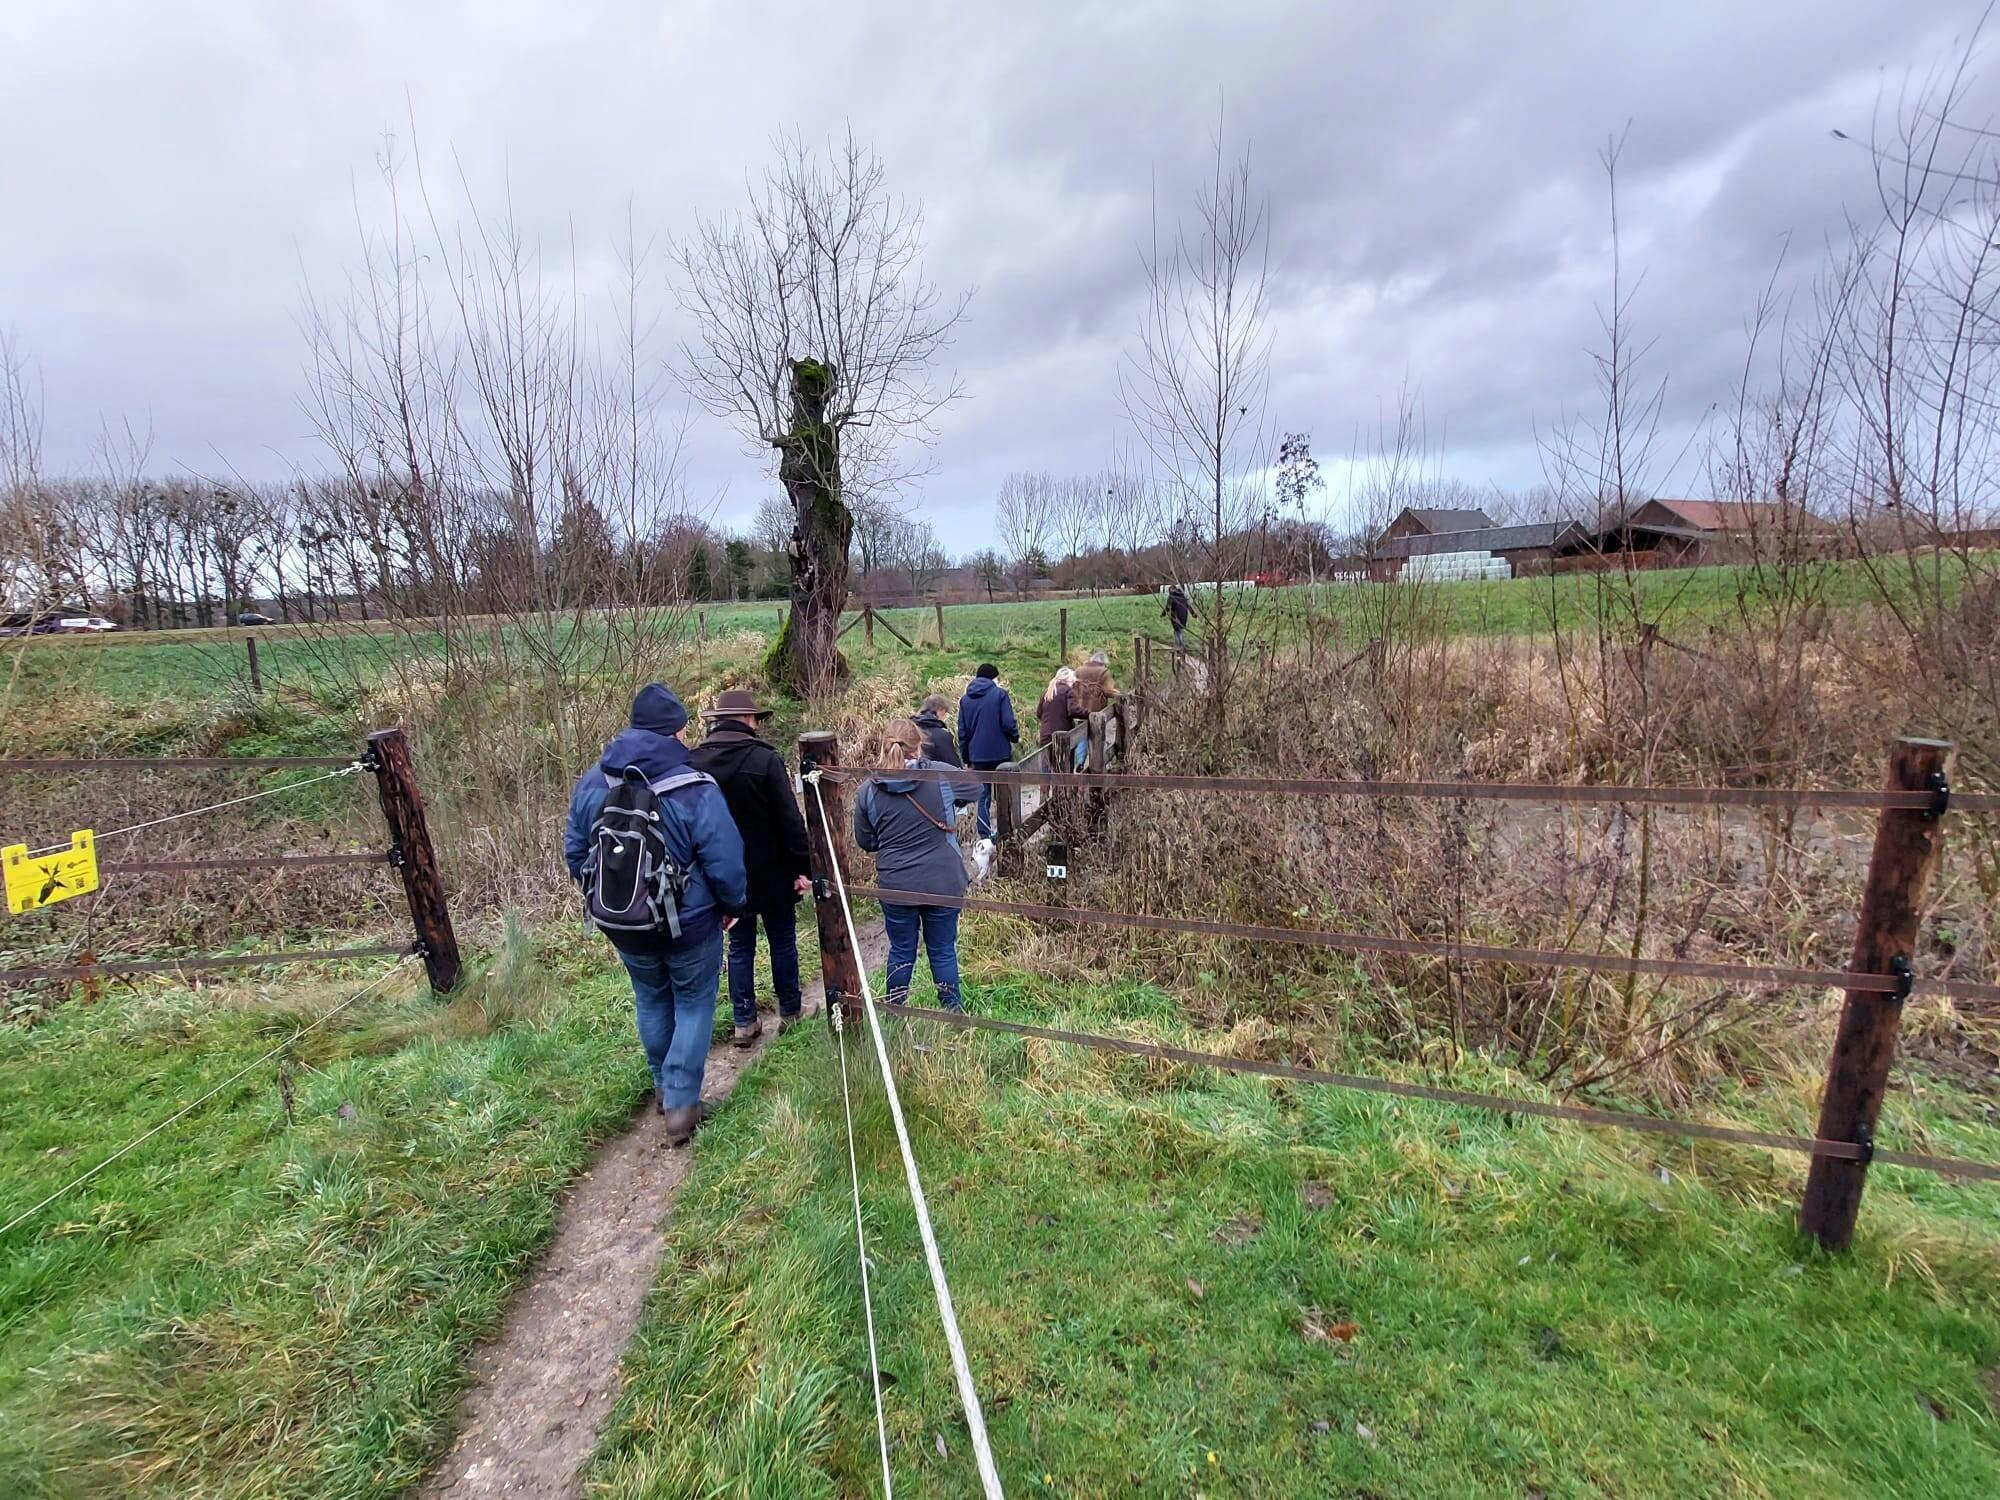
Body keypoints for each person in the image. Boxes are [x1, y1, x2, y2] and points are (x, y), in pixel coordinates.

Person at [564, 684, 747, 1146]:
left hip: (622, 924)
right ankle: (683, 1106)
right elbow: (724, 859)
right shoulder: (693, 787)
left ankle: (665, 1090)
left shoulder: (592, 783)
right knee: (693, 1001)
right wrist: (732, 906)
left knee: (650, 998)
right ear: (676, 731)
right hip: (691, 921)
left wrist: (610, 903)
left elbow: (575, 853)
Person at [689, 687, 812, 1048]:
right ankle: (790, 1011)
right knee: (782, 941)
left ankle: (744, 1020)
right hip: (772, 871)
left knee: (739, 947)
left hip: (721, 875)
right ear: (747, 720)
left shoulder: (693, 763)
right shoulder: (765, 761)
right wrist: (802, 866)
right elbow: (790, 821)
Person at [854, 720, 969, 1012]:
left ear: (883, 747)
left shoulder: (868, 790)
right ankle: (952, 1012)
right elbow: (975, 788)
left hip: (897, 882)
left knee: (901, 951)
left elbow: (866, 841)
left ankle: (895, 1012)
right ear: (918, 746)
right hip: (944, 878)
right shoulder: (940, 775)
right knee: (943, 950)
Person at [956, 663, 1018, 838]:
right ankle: (1006, 832)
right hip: (1001, 754)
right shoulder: (1000, 695)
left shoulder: (965, 700)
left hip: (978, 755)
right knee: (1005, 793)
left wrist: (967, 757)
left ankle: (984, 836)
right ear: (993, 678)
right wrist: (1014, 737)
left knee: (983, 797)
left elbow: (963, 732)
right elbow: (1008, 722)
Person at [912, 692, 983, 808]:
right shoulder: (941, 736)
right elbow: (952, 765)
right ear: (940, 710)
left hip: (911, 794)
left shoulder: (910, 731)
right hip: (936, 795)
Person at [1037, 666, 1079, 747]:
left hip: (1045, 737)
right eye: (1073, 682)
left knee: (1047, 759)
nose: (1073, 685)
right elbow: (1073, 710)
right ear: (1068, 680)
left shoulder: (1048, 691)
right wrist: (1088, 713)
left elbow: (1039, 713)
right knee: (1063, 759)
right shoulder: (1068, 691)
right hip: (1061, 738)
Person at [1073, 649, 1119, 714]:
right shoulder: (1103, 672)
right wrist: (1120, 694)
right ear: (1104, 663)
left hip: (1078, 712)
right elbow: (1110, 691)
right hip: (1095, 713)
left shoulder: (1078, 671)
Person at [1164, 583, 1190, 651]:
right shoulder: (1183, 596)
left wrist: (1163, 614)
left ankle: (1179, 646)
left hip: (1175, 616)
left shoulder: (1171, 597)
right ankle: (1181, 646)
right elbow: (1188, 606)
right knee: (1180, 630)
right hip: (1184, 616)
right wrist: (1193, 614)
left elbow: (1167, 607)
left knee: (1177, 631)